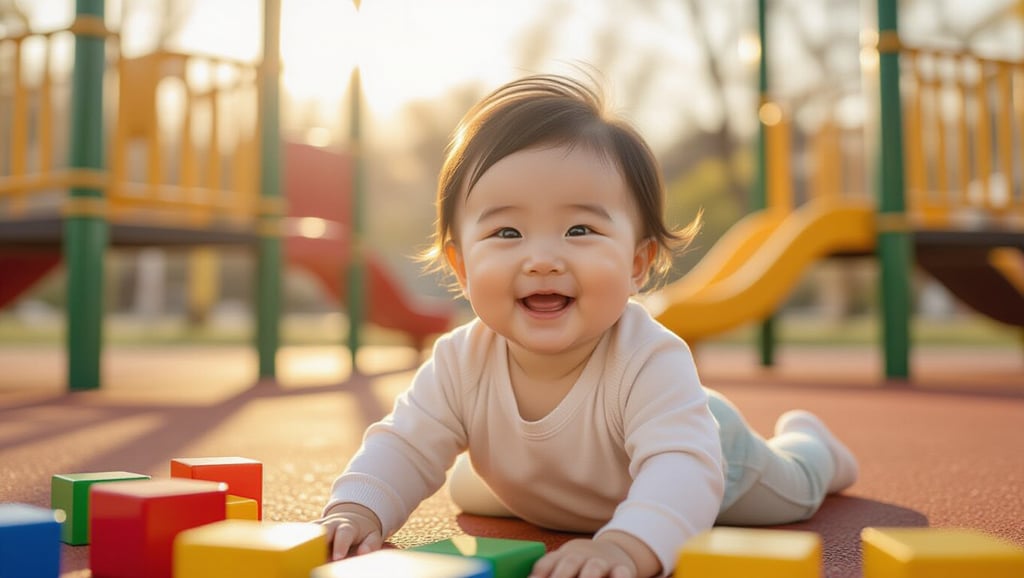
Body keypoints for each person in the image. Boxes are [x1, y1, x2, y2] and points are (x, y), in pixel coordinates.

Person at [314, 73, 858, 578]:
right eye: (507, 233)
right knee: (466, 482)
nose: (543, 259)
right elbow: (405, 445)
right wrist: (357, 507)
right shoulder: (460, 360)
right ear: (460, 266)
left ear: (637, 263)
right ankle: (533, 478)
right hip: (557, 477)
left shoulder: (648, 358)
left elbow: (683, 472)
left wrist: (625, 545)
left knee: (795, 492)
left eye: (579, 229)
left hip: (716, 456)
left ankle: (812, 445)